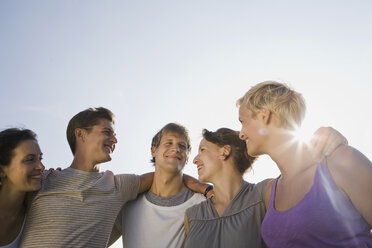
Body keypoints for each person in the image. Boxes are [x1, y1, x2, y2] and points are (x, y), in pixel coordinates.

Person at [237, 81, 372, 247]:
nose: (241, 134)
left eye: (242, 121)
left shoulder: (342, 162)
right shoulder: (270, 192)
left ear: (264, 115)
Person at [21, 107, 154, 247]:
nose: (115, 140)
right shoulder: (43, 179)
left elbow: (166, 178)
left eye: (114, 135)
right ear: (80, 134)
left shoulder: (119, 186)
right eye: (107, 132)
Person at [110, 123, 208, 248]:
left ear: (187, 157)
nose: (176, 149)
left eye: (182, 146)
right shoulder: (128, 205)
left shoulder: (202, 204)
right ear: (153, 150)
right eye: (168, 143)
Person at [184, 128, 268, 247]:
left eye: (202, 150)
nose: (195, 160)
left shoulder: (264, 195)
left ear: (225, 151)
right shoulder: (192, 216)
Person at [0, 128, 45, 248]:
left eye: (40, 158)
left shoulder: (37, 211)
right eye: (30, 159)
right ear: (2, 170)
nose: (41, 166)